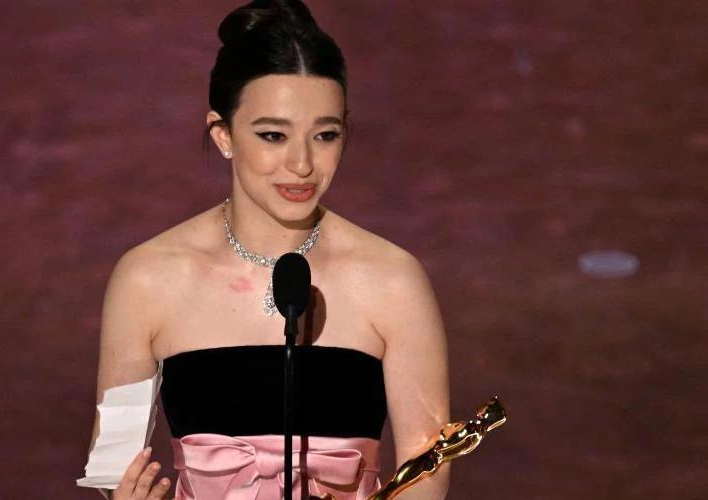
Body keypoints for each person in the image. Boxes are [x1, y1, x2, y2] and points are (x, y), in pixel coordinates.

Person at [87, 1, 450, 498]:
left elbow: (428, 469)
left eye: (325, 135)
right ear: (223, 135)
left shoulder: (392, 280)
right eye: (273, 135)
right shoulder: (148, 278)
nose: (301, 164)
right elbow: (115, 463)